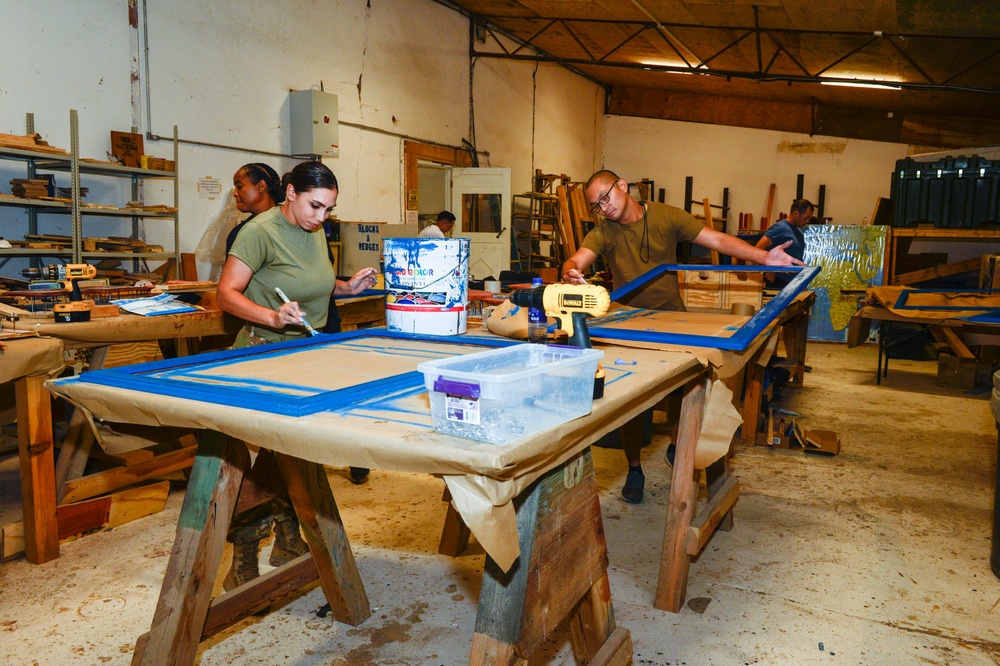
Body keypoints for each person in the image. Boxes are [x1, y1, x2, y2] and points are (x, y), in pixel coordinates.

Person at [562, 169, 803, 504]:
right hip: (627, 323)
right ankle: (634, 469)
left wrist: (764, 257)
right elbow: (578, 258)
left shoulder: (667, 216)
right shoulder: (604, 232)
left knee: (681, 391)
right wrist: (571, 271)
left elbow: (716, 240)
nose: (604, 208)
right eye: (596, 206)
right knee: (629, 402)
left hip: (672, 319)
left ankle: (678, 446)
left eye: (606, 198)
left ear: (623, 186)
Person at [217, 161, 379, 590]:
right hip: (263, 354)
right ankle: (247, 549)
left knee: (297, 450)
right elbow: (226, 295)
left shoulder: (315, 229)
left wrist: (346, 287)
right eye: (315, 206)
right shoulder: (260, 231)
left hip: (305, 353)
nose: (322, 217)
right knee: (267, 456)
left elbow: (314, 282)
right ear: (290, 192)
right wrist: (272, 315)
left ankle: (288, 541)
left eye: (329, 209)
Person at [755, 199, 814, 287]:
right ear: (796, 214)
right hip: (779, 282)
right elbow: (758, 248)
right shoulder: (780, 228)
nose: (808, 221)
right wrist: (768, 270)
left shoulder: (796, 232)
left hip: (792, 284)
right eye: (806, 218)